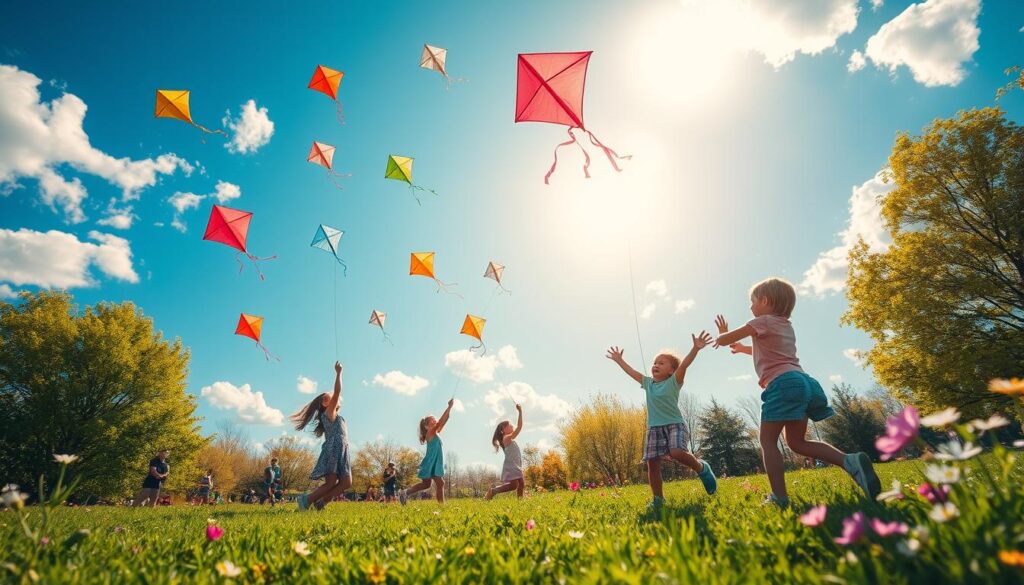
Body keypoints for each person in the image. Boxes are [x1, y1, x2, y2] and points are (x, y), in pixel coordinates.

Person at [714, 277, 881, 508]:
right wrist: (744, 349)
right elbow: (769, 349)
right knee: (796, 442)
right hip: (803, 383)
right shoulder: (784, 325)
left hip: (782, 384)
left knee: (768, 441)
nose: (750, 307)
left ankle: (779, 497)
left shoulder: (761, 321)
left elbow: (723, 341)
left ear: (764, 300)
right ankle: (849, 461)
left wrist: (724, 333)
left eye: (751, 302)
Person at [607, 332, 718, 514]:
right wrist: (619, 360)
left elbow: (685, 364)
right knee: (652, 463)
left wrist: (695, 348)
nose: (655, 365)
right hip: (654, 428)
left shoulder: (675, 381)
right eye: (655, 363)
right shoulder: (648, 383)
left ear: (671, 370)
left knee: (677, 453)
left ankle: (702, 468)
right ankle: (658, 499)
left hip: (674, 424)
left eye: (661, 363)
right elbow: (631, 372)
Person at [293, 361, 351, 511]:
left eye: (329, 397)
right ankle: (306, 500)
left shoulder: (336, 416)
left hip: (341, 450)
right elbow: (337, 392)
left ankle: (321, 503)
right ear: (325, 405)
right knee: (331, 482)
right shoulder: (329, 413)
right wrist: (339, 373)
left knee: (346, 482)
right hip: (333, 450)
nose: (330, 398)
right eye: (326, 399)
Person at [399, 399, 455, 505]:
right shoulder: (430, 432)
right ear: (427, 426)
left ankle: (405, 493)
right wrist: (449, 407)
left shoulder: (436, 433)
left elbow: (444, 420)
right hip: (431, 463)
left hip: (432, 462)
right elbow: (440, 422)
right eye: (432, 420)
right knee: (440, 482)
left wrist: (449, 409)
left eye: (435, 419)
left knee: (426, 484)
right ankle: (441, 506)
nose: (435, 420)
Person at [485, 403, 525, 500]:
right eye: (510, 425)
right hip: (512, 465)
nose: (512, 426)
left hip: (514, 465)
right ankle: (520, 502)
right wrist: (520, 412)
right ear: (503, 430)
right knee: (521, 484)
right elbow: (519, 427)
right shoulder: (506, 438)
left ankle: (493, 491)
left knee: (514, 486)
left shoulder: (509, 439)